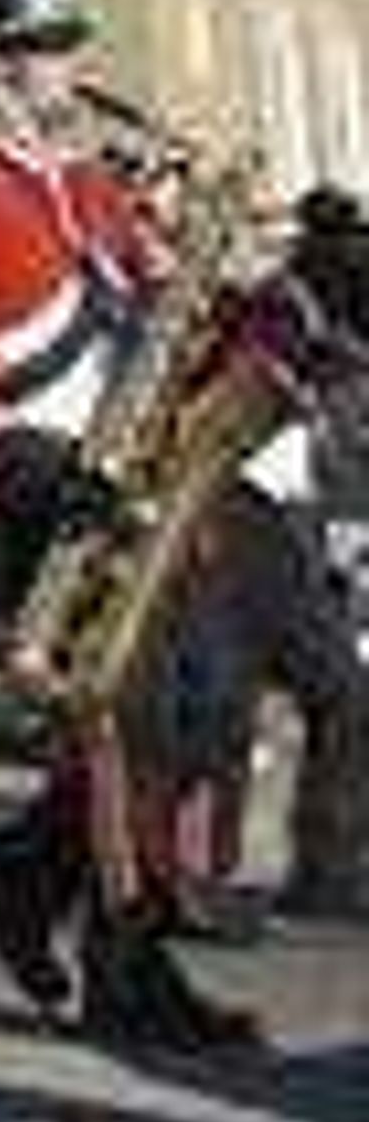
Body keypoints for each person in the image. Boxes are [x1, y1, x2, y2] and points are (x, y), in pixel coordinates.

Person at [0, 0, 260, 1053]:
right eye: (50, 47)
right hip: (36, 463)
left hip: (128, 460)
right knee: (125, 716)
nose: (68, 66)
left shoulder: (91, 183)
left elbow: (164, 319)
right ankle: (129, 971)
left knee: (212, 701)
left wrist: (198, 245)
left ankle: (20, 865)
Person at [177, 185, 367, 928]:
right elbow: (226, 400)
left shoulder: (326, 321)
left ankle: (330, 870)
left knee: (343, 690)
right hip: (219, 512)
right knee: (222, 703)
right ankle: (197, 879)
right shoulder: (271, 311)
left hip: (285, 525)